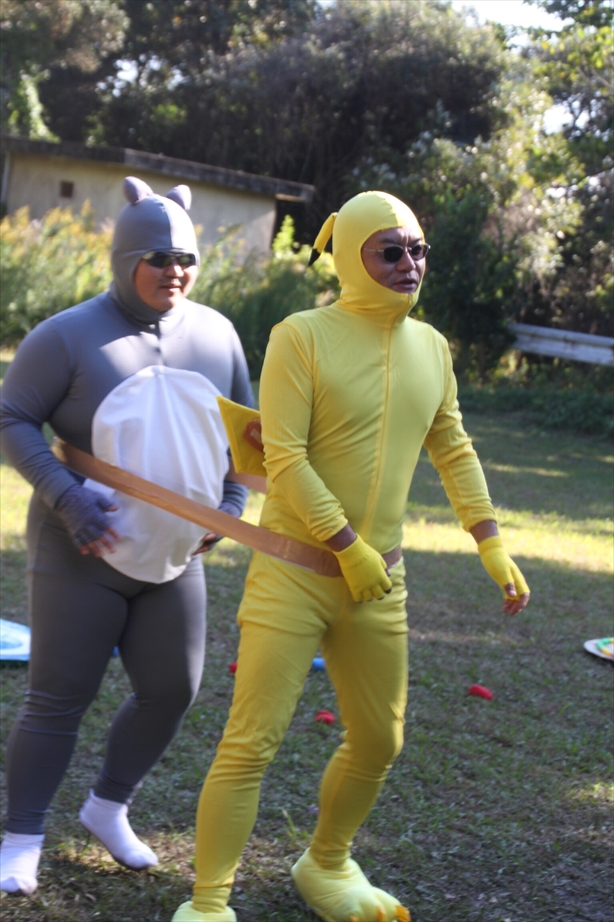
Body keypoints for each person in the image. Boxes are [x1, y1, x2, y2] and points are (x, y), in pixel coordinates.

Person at [171, 190, 530, 922]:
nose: (408, 263)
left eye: (417, 249)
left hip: (380, 582)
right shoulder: (301, 336)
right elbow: (285, 456)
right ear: (349, 257)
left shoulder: (432, 349)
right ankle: (208, 904)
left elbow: (454, 447)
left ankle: (328, 863)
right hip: (294, 572)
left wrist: (489, 540)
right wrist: (345, 544)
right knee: (251, 743)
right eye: (389, 251)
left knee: (379, 741)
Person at [0, 177, 254, 897]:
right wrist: (66, 496)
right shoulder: (67, 335)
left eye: (186, 259)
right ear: (124, 258)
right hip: (82, 551)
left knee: (173, 689)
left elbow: (245, 433)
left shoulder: (218, 334)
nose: (174, 271)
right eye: (157, 258)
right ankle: (21, 836)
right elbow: (11, 417)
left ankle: (108, 807)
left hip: (175, 557)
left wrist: (230, 502)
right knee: (59, 695)